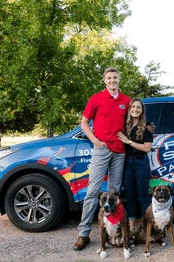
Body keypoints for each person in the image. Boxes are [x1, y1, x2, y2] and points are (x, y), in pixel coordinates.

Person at [73, 67, 131, 251]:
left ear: (119, 79)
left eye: (115, 77)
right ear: (104, 80)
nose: (112, 80)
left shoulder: (126, 101)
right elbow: (84, 122)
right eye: (109, 78)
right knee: (92, 191)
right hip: (102, 150)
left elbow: (136, 119)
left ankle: (113, 231)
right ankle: (84, 235)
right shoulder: (96, 98)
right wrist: (95, 141)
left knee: (114, 192)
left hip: (120, 151)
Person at [117, 98, 153, 234]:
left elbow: (147, 148)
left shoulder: (147, 126)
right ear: (129, 109)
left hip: (141, 163)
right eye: (133, 107)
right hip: (126, 164)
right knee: (130, 196)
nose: (135, 109)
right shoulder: (124, 126)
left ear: (142, 110)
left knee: (143, 196)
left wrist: (129, 142)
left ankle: (145, 227)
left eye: (138, 107)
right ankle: (131, 228)